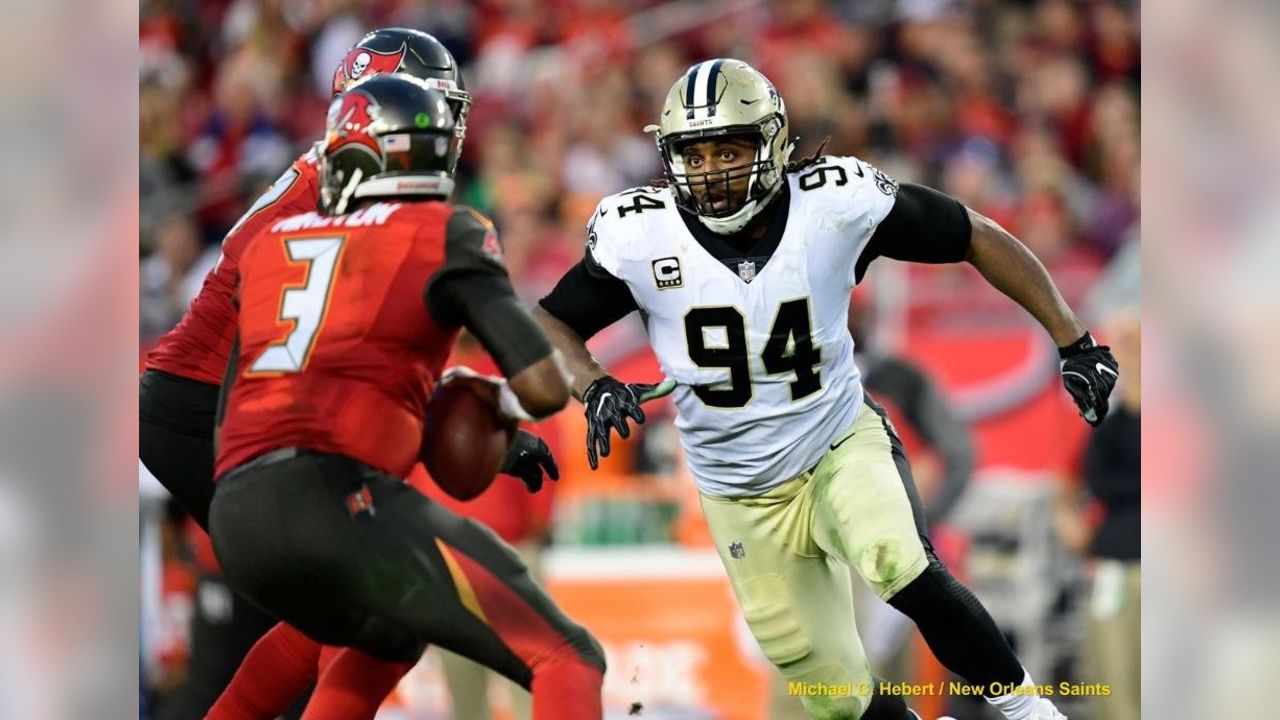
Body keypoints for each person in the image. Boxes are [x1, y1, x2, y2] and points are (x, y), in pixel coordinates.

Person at [534, 59, 1119, 720]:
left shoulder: (834, 203)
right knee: (837, 698)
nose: (714, 172)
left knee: (899, 562)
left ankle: (1029, 713)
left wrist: (1073, 339)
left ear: (775, 142)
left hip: (835, 440)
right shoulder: (639, 233)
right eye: (694, 155)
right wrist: (591, 383)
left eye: (731, 149)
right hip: (738, 492)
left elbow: (972, 235)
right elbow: (551, 318)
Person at [139, 29, 561, 718]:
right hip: (209, 406)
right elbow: (350, 354)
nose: (444, 128)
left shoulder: (342, 179)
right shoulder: (350, 193)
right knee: (367, 608)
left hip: (217, 402)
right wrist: (493, 416)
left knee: (350, 615)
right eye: (429, 110)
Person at [1055, 309, 1140, 720]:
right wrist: (1066, 517)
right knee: (1112, 679)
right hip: (1114, 561)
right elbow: (1069, 482)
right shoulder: (1105, 419)